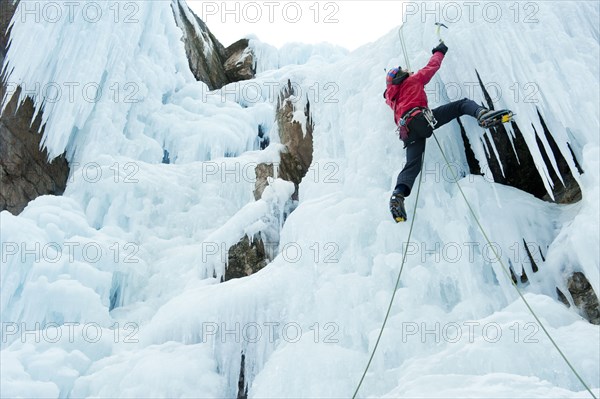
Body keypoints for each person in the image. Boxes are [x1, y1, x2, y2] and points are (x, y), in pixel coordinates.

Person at [384, 41, 495, 222]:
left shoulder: (391, 99)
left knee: (412, 165)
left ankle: (398, 195)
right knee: (461, 105)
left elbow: (388, 91)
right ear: (404, 76)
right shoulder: (414, 80)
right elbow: (432, 67)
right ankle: (482, 115)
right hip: (421, 120)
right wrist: (439, 51)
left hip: (407, 132)